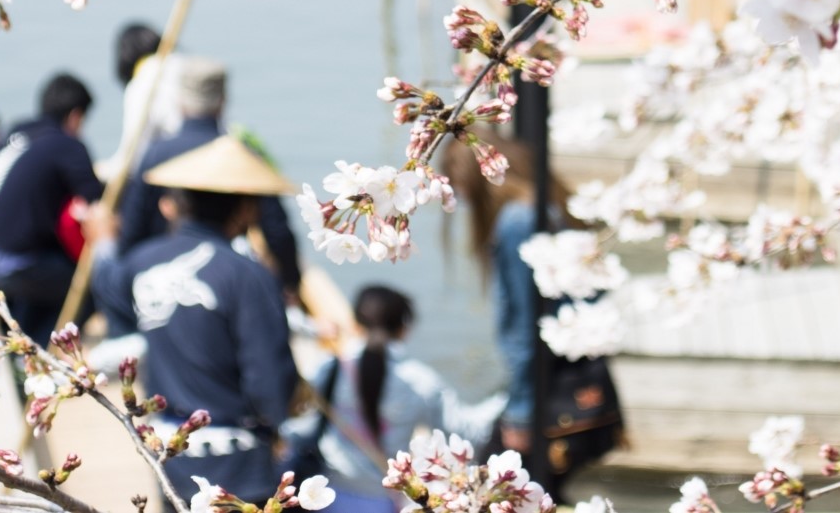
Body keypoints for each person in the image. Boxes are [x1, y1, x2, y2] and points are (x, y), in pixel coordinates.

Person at [89, 135, 300, 503]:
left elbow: (110, 291)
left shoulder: (141, 262)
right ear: (246, 209)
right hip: (237, 464)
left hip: (171, 456)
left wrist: (104, 244)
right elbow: (271, 390)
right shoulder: (248, 276)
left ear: (178, 205)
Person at [440, 132, 619, 501]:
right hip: (566, 379)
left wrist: (520, 413)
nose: (462, 202)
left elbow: (525, 326)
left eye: (462, 189)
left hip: (542, 389)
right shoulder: (551, 209)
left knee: (496, 492)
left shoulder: (517, 222)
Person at [113, 57, 302, 312]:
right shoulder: (240, 153)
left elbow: (132, 231)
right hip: (227, 284)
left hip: (158, 281)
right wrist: (290, 282)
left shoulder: (156, 155)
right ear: (222, 101)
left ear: (180, 102)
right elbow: (276, 228)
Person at [289, 286, 500, 513]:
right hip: (385, 501)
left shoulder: (329, 369)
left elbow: (302, 426)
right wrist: (506, 404)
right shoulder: (420, 382)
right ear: (404, 329)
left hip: (329, 498)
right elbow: (466, 431)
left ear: (355, 323)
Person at [0, 74, 102, 343]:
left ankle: (22, 343)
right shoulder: (67, 144)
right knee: (89, 286)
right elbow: (95, 201)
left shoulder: (12, 134)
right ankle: (43, 352)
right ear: (75, 115)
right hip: (9, 265)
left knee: (37, 278)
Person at [98, 22, 183, 182]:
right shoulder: (182, 64)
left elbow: (133, 156)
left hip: (177, 170)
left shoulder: (142, 83)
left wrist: (99, 171)